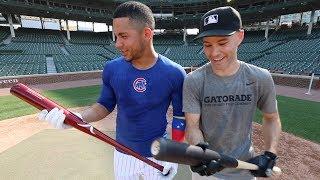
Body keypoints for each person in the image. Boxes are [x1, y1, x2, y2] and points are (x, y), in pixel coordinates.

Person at [38, 1, 187, 180]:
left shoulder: (174, 72)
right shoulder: (112, 69)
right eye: (116, 36)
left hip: (159, 155)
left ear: (147, 34)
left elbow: (180, 117)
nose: (117, 44)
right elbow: (104, 105)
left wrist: (174, 153)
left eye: (124, 36)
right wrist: (77, 118)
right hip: (122, 154)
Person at [182, 6, 282, 180]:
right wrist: (201, 151)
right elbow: (192, 126)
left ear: (239, 36)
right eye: (207, 45)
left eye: (222, 43)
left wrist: (270, 153)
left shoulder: (260, 77)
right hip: (208, 172)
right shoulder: (193, 80)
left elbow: (271, 118)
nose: (214, 53)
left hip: (245, 169)